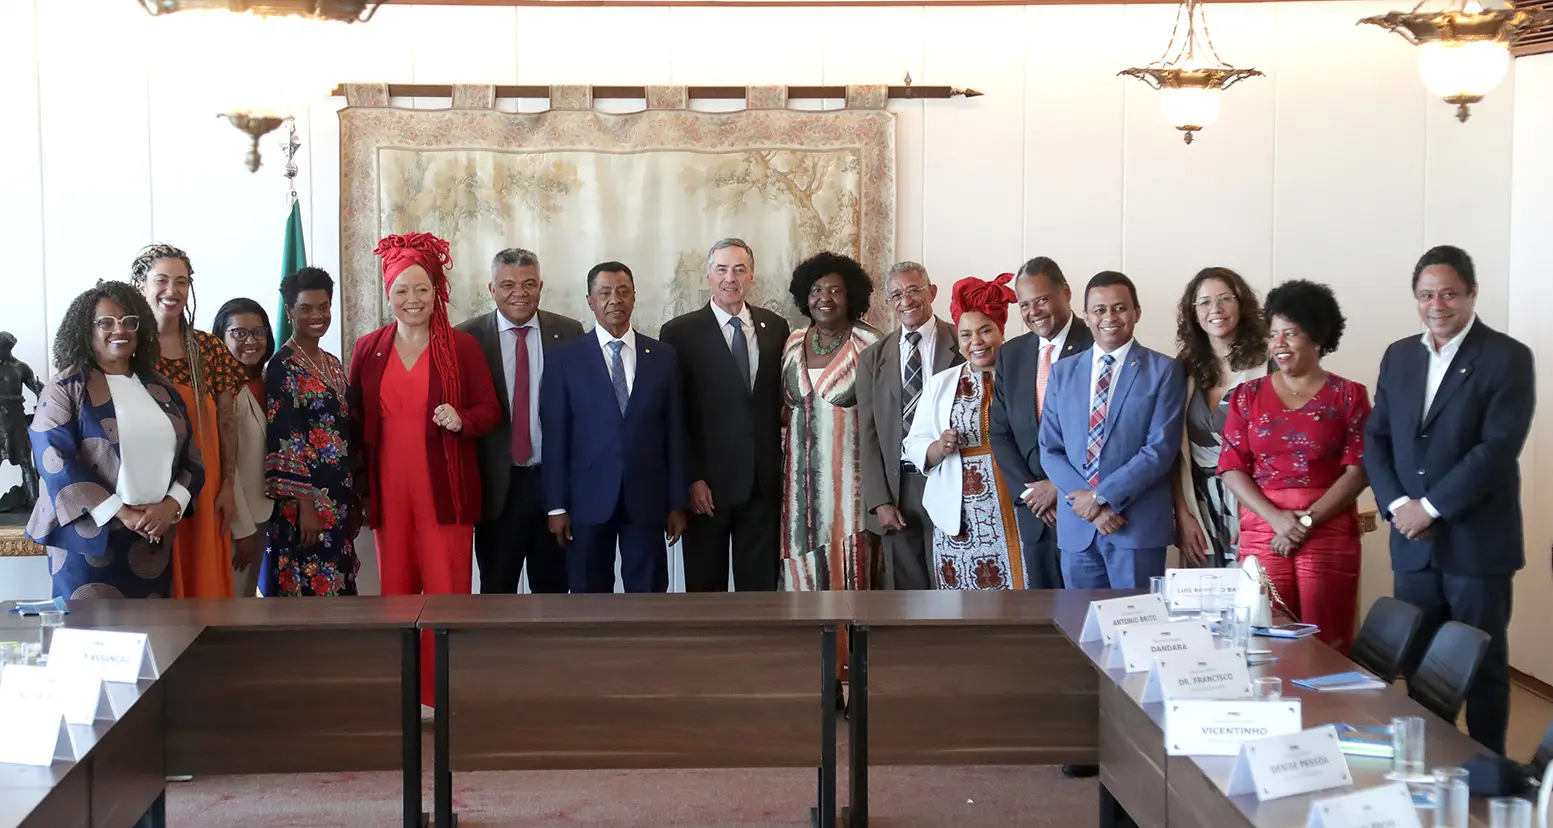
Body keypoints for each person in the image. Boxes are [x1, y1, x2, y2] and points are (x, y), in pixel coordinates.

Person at [1365, 245, 1535, 756]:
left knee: (1481, 664)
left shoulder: (1507, 357)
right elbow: (1376, 439)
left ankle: (1490, 771)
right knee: (1418, 662)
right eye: (1425, 294)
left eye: (1449, 293)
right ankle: (1430, 760)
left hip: (1477, 543)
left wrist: (1430, 507)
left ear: (1472, 293)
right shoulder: (1400, 355)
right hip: (1412, 542)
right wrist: (1397, 505)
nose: (1437, 304)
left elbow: (1497, 449)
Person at [349, 232, 499, 705]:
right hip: (389, 491)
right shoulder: (368, 348)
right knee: (395, 593)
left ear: (437, 292)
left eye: (421, 290)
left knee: (446, 591)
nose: (412, 300)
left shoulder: (462, 347)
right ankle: (403, 694)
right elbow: (353, 419)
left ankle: (442, 695)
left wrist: (463, 418)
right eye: (401, 291)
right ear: (388, 295)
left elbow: (489, 409)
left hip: (444, 493)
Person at [1218, 280, 1370, 653]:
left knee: (1327, 641)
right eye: (1273, 335)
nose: (1279, 344)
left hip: (1327, 530)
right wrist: (1278, 519)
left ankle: (1329, 710)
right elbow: (1231, 467)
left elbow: (1359, 471)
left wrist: (1304, 522)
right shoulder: (1245, 396)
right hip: (1263, 530)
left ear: (1317, 336)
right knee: (1264, 638)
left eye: (1291, 333)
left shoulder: (1349, 395)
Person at [25, 281, 203, 599]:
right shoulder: (66, 387)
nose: (118, 330)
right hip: (90, 540)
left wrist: (171, 506)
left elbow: (192, 458)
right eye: (105, 322)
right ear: (86, 331)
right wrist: (122, 512)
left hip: (151, 540)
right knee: (90, 641)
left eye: (128, 321)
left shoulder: (160, 387)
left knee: (151, 640)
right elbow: (55, 460)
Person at [541, 262, 688, 593]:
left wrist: (677, 502)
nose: (614, 300)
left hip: (647, 499)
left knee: (648, 593)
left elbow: (676, 435)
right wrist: (556, 506)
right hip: (586, 500)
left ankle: (645, 647)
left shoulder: (664, 357)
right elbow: (555, 437)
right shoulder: (565, 358)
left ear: (634, 297)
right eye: (604, 293)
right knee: (588, 596)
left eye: (623, 292)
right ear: (590, 301)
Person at [1038, 271, 1185, 590]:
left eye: (1120, 308)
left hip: (1135, 526)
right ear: (1087, 316)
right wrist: (1089, 506)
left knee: (1138, 631)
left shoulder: (1164, 371)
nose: (1110, 317)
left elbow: (1159, 450)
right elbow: (1049, 448)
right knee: (1080, 630)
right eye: (1100, 309)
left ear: (1136, 313)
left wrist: (1102, 497)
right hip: (1078, 529)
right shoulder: (1063, 372)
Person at [660, 239, 790, 592]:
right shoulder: (679, 332)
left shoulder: (775, 327)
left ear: (751, 276)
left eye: (739, 269)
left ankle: (757, 647)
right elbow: (675, 416)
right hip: (707, 488)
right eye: (722, 269)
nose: (730, 278)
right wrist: (692, 478)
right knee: (705, 589)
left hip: (761, 485)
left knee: (760, 589)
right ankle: (706, 649)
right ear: (708, 277)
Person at [456, 248, 583, 594]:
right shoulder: (466, 339)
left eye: (529, 284)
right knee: (496, 592)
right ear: (491, 288)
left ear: (541, 286)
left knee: (554, 591)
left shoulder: (569, 332)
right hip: (498, 489)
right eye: (508, 284)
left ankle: (551, 651)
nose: (520, 293)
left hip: (553, 485)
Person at [131, 244, 245, 599]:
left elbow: (226, 421)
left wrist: (227, 485)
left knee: (205, 586)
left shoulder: (209, 349)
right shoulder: (129, 349)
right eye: (161, 280)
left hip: (205, 488)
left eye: (181, 281)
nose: (172, 290)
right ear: (141, 285)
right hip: (148, 492)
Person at [903, 274, 1025, 589]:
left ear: (1002, 331)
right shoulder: (941, 383)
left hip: (1018, 507)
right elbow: (913, 442)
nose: (976, 342)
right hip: (959, 516)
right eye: (967, 334)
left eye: (985, 330)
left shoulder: (1026, 375)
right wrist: (938, 447)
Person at [779, 252, 883, 591]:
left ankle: (852, 644)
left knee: (851, 571)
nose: (825, 298)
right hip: (798, 486)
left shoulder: (870, 343)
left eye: (835, 290)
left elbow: (886, 418)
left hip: (852, 486)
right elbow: (784, 409)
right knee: (802, 572)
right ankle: (806, 643)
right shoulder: (793, 342)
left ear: (851, 295)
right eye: (816, 290)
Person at [989, 257, 1094, 590]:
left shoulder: (1097, 346)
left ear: (1066, 292)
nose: (1033, 311)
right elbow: (1000, 432)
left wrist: (1057, 487)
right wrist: (1030, 491)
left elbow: (1102, 433)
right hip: (1034, 511)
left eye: (1042, 300)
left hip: (1084, 506)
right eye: (1024, 305)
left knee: (1088, 615)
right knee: (1042, 621)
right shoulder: (1012, 353)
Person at [856, 262, 961, 590]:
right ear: (889, 302)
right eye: (896, 294)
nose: (906, 300)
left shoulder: (963, 342)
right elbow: (868, 434)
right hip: (899, 489)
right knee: (907, 592)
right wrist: (878, 500)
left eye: (914, 290)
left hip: (951, 479)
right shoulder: (873, 358)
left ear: (932, 292)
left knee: (953, 582)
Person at [264, 267, 360, 597]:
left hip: (339, 498)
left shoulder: (331, 362)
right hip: (305, 505)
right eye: (306, 308)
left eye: (323, 306)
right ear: (289, 311)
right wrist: (305, 506)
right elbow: (286, 438)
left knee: (340, 590)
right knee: (310, 592)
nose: (317, 315)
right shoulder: (282, 366)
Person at [1171, 267, 1270, 568]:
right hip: (1199, 505)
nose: (1215, 309)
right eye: (1204, 302)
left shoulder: (1270, 365)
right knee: (1203, 603)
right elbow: (1173, 452)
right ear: (1194, 312)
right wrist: (1182, 515)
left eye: (1224, 298)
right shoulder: (1184, 369)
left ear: (1241, 304)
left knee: (1256, 601)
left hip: (1257, 503)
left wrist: (1262, 513)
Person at [212, 298, 275, 597]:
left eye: (258, 332)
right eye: (239, 333)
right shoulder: (221, 394)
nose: (250, 341)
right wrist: (243, 529)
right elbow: (225, 464)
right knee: (232, 607)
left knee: (248, 601)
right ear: (220, 338)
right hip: (236, 522)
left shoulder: (264, 382)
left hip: (262, 514)